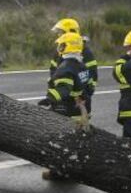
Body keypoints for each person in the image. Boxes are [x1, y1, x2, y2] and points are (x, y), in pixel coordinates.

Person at [38, 32, 93, 181]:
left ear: (66, 47)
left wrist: (49, 99)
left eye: (61, 45)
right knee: (74, 143)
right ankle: (72, 172)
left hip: (65, 109)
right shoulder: (81, 65)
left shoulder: (66, 67)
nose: (58, 47)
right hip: (77, 109)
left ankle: (57, 173)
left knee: (59, 142)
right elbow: (86, 87)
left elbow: (63, 90)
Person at [50, 18, 98, 92]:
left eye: (60, 32)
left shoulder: (84, 50)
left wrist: (86, 94)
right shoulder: (60, 49)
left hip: (79, 98)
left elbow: (92, 73)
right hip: (61, 93)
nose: (58, 35)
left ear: (70, 32)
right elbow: (53, 70)